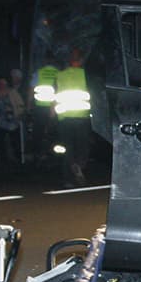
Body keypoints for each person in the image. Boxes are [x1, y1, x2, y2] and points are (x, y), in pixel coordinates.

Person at [55, 49, 91, 185]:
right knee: (83, 145)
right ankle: (79, 164)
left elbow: (56, 96)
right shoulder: (85, 75)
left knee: (68, 147)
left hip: (64, 117)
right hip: (82, 116)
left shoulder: (60, 75)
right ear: (81, 61)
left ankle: (67, 180)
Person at [0, 77, 25, 166]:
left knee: (15, 140)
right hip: (0, 120)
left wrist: (20, 114)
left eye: (4, 83)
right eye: (0, 83)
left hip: (13, 120)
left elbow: (20, 104)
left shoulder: (13, 92)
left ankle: (18, 158)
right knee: (1, 141)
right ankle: (3, 159)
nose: (2, 85)